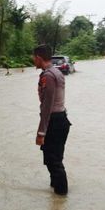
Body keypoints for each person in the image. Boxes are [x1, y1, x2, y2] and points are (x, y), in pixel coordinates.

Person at [33, 44, 72, 195]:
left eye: (33, 58)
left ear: (38, 58)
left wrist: (41, 132)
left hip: (54, 122)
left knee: (53, 161)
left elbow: (47, 106)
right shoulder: (57, 72)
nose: (33, 60)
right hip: (61, 119)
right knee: (55, 158)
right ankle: (56, 197)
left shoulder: (48, 76)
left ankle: (61, 197)